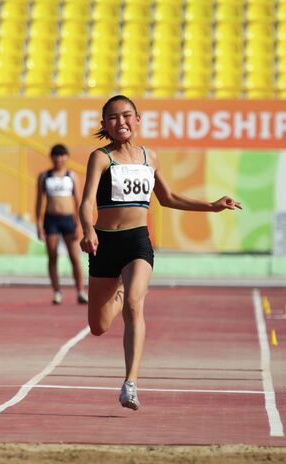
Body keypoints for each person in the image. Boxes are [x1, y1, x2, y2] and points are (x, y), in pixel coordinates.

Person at [79, 95, 241, 410]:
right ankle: (120, 292)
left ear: (138, 119)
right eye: (112, 117)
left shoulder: (149, 157)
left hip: (138, 242)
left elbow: (167, 198)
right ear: (104, 125)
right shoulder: (100, 157)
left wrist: (211, 205)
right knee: (98, 327)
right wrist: (87, 230)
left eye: (126, 115)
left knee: (135, 307)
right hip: (104, 243)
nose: (120, 122)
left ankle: (130, 384)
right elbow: (86, 201)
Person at [36, 144, 88, 305]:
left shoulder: (71, 176)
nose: (59, 159)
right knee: (52, 256)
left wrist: (80, 225)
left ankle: (80, 291)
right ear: (51, 157)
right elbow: (39, 201)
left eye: (62, 155)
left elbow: (79, 201)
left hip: (68, 220)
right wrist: (38, 223)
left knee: (74, 257)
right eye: (56, 156)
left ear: (66, 157)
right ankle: (57, 291)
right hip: (51, 220)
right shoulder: (45, 176)